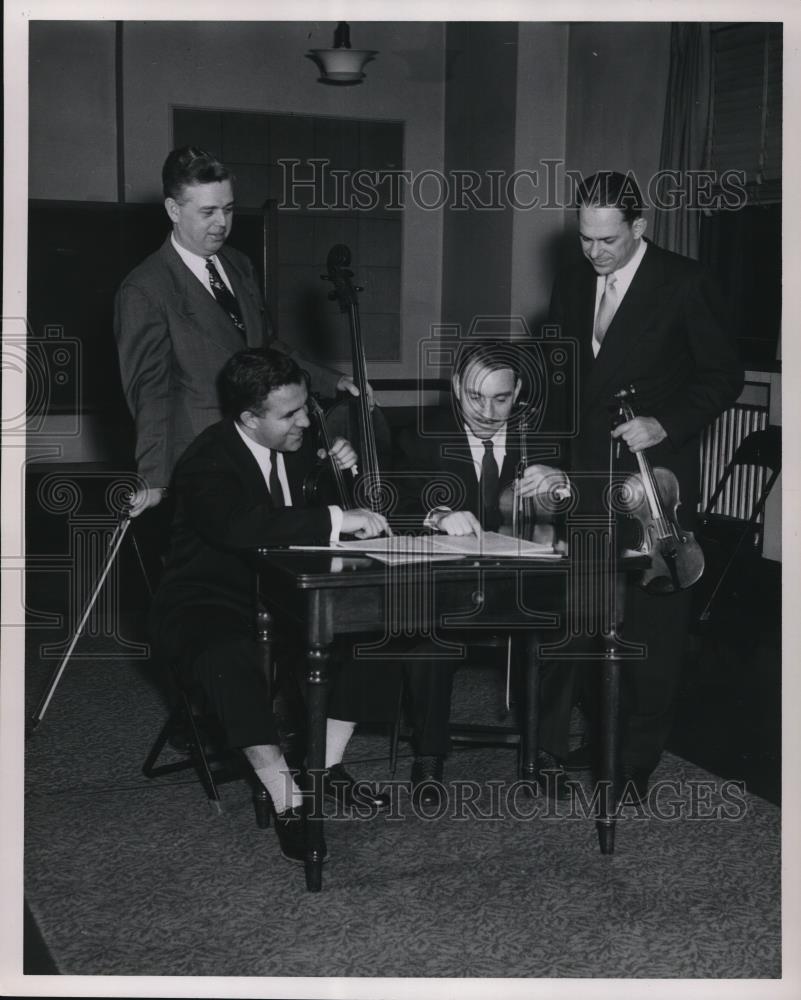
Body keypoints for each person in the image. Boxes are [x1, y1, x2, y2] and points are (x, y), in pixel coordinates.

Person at [149, 348, 394, 864]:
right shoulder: (204, 463)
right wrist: (335, 514)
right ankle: (288, 797)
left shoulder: (303, 440)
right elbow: (244, 525)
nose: (306, 420)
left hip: (288, 591)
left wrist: (339, 472)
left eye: (306, 407)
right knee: (228, 658)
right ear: (248, 419)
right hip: (210, 597)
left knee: (374, 629)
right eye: (290, 414)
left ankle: (322, 768)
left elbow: (317, 508)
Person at [548, 170, 743, 801]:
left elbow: (722, 376)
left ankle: (634, 757)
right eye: (585, 239)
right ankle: (586, 736)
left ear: (641, 227)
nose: (595, 253)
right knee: (582, 609)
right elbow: (565, 378)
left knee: (652, 619)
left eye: (608, 240)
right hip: (583, 471)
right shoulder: (573, 278)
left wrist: (667, 423)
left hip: (651, 479)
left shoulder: (687, 282)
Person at [114, 145, 368, 519]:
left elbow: (268, 348)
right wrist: (153, 477)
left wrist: (331, 380)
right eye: (207, 212)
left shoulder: (239, 264)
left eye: (228, 209)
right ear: (173, 210)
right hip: (204, 457)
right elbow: (150, 392)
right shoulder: (144, 289)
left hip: (263, 444)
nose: (221, 223)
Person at [394, 340, 570, 804]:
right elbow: (396, 507)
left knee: (572, 623)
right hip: (452, 582)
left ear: (519, 394)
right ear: (456, 387)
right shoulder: (420, 436)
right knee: (427, 630)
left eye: (501, 398)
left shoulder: (544, 436)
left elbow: (574, 510)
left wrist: (561, 487)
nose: (488, 412)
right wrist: (436, 514)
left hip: (523, 580)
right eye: (475, 397)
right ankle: (429, 753)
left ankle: (546, 748)